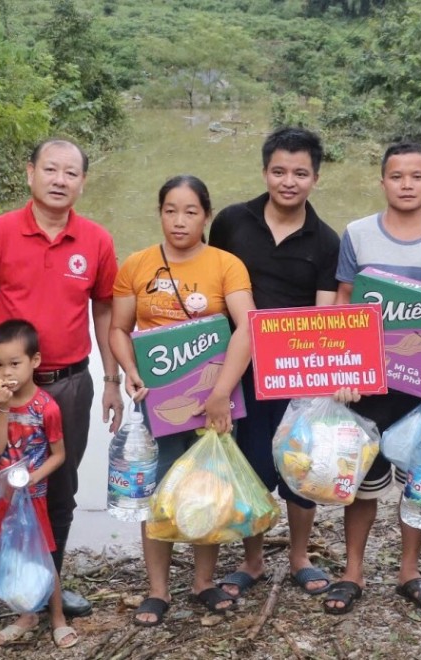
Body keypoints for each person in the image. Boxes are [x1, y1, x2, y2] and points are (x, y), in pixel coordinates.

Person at [0, 139, 123, 628]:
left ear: (83, 182)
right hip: (4, 386)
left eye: (71, 173)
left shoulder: (97, 241)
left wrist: (111, 378)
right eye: (51, 170)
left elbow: (104, 311)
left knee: (59, 486)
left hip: (68, 384)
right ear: (30, 174)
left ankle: (48, 586)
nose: (60, 180)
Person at [327, 142, 421, 614]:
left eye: (416, 176)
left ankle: (409, 570)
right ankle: (353, 571)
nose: (406, 184)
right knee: (362, 482)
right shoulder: (357, 234)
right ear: (382, 182)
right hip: (367, 384)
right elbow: (345, 302)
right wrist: (346, 367)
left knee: (419, 482)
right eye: (396, 176)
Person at [109, 175, 256, 625]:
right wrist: (128, 371)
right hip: (154, 401)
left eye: (191, 211)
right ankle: (157, 590)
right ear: (159, 213)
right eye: (170, 210)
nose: (179, 220)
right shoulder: (136, 265)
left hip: (211, 401)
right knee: (156, 492)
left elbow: (246, 327)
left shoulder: (226, 264)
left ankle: (203, 583)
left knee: (204, 490)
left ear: (206, 216)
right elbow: (118, 328)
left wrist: (220, 394)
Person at [209, 127, 339, 600]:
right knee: (252, 463)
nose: (289, 181)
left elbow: (326, 314)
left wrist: (328, 376)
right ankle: (253, 559)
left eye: (300, 173)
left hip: (296, 371)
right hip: (239, 368)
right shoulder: (231, 223)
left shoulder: (326, 241)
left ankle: (300, 556)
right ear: (265, 172)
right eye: (279, 171)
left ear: (315, 178)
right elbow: (210, 281)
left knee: (299, 466)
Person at [0, 320, 78, 648]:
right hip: (2, 495)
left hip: (33, 495)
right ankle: (24, 614)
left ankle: (57, 617)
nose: (6, 372)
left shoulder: (46, 408)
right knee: (10, 554)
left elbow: (59, 455)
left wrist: (35, 476)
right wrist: (3, 408)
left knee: (44, 555)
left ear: (34, 362)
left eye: (15, 363)